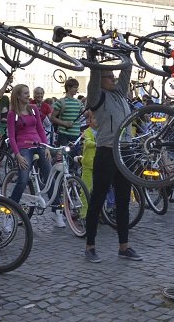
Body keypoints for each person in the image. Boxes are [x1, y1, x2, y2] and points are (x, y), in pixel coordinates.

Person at [82, 61, 143, 263]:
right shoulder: (97, 96)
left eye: (113, 76)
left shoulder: (119, 94)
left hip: (125, 151)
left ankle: (124, 247)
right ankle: (90, 246)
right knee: (98, 199)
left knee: (124, 200)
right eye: (110, 76)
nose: (114, 79)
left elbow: (127, 69)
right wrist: (94, 63)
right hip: (107, 152)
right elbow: (93, 80)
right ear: (101, 79)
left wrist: (124, 53)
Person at [6, 84, 62, 227]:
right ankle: (9, 214)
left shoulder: (33, 109)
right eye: (25, 93)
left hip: (39, 145)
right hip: (24, 148)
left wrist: (46, 146)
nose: (28, 95)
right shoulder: (13, 114)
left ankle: (57, 212)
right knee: (23, 180)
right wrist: (17, 155)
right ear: (18, 96)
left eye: (28, 93)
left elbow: (40, 129)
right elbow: (12, 137)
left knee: (50, 176)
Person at [50, 78, 83, 150]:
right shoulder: (61, 102)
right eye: (75, 87)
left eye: (77, 88)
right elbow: (52, 118)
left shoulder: (79, 102)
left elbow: (86, 114)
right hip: (63, 135)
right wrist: (64, 123)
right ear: (68, 88)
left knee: (74, 158)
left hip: (75, 135)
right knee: (63, 157)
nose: (76, 89)